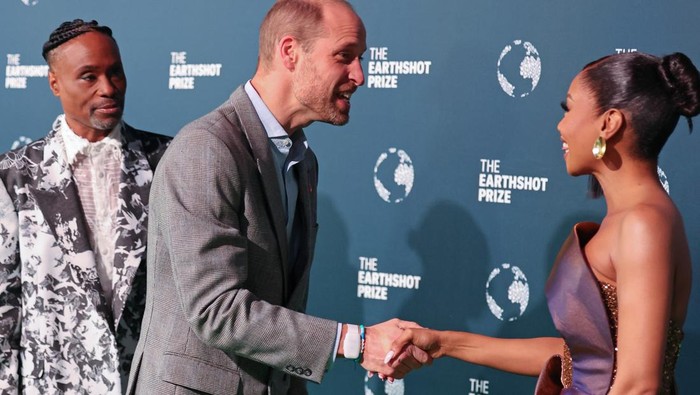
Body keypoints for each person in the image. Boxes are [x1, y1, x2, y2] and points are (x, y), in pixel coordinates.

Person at [127, 1, 428, 394]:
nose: (360, 75)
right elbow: (216, 310)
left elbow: (282, 304)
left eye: (360, 59)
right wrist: (356, 342)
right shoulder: (207, 149)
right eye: (345, 56)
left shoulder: (303, 161)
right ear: (290, 52)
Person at [386, 51, 700, 395]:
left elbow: (638, 386)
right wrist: (445, 343)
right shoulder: (634, 219)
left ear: (608, 124)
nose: (560, 126)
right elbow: (582, 361)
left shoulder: (644, 224)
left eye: (569, 109)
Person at [0, 19, 171, 394]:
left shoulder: (168, 161)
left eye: (115, 73)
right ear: (55, 83)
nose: (108, 89)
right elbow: (4, 305)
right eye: (89, 77)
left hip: (149, 382)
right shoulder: (14, 175)